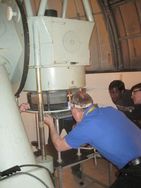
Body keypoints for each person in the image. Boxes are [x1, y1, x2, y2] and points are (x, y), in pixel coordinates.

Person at [44, 90, 141, 188]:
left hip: (136, 170)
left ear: (74, 109)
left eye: (71, 111)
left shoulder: (86, 127)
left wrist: (51, 124)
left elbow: (59, 146)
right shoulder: (110, 109)